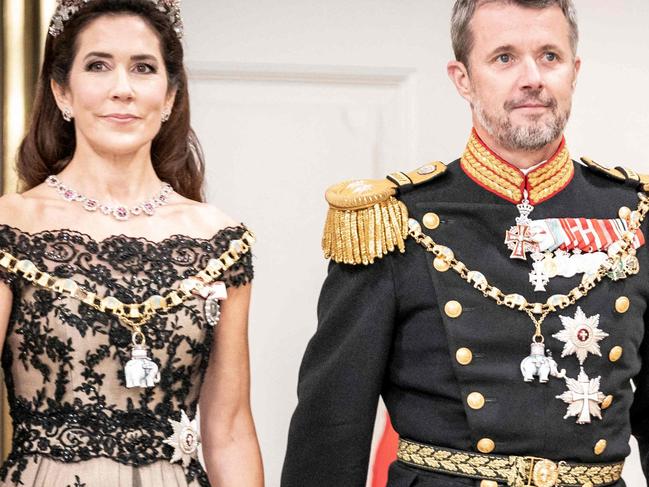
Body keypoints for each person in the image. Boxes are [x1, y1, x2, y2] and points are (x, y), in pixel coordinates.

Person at [282, 1, 649, 486]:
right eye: (504, 58)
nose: (532, 77)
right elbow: (332, 428)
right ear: (462, 79)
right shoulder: (392, 219)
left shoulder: (633, 214)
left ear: (574, 71)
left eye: (550, 56)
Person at [0, 1, 263, 486]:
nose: (122, 89)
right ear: (62, 91)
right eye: (98, 66)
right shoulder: (11, 228)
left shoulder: (219, 241)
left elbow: (228, 431)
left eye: (142, 68)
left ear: (169, 95)